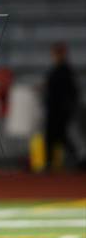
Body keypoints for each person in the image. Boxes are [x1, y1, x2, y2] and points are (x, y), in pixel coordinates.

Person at [44, 42, 78, 170]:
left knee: (57, 136)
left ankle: (53, 162)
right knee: (57, 136)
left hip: (59, 109)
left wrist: (67, 106)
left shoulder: (64, 70)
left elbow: (71, 90)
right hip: (55, 107)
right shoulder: (59, 69)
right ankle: (52, 162)